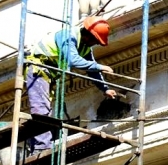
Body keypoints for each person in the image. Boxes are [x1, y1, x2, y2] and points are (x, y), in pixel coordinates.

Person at [24, 16, 117, 152]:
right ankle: (41, 148)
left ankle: (38, 146)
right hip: (38, 69)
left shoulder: (84, 47)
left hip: (48, 74)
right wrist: (99, 66)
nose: (94, 43)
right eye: (95, 40)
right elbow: (73, 60)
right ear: (88, 34)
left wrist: (105, 89)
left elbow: (92, 71)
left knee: (46, 110)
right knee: (41, 110)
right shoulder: (68, 36)